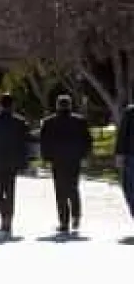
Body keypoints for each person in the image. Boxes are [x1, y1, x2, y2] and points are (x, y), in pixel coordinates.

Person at [39, 94, 93, 233]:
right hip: (74, 159)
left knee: (60, 190)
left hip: (57, 160)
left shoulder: (49, 122)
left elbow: (44, 142)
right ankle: (76, 216)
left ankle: (64, 221)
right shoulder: (80, 121)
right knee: (73, 187)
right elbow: (87, 140)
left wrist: (45, 158)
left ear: (57, 105)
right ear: (70, 105)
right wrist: (85, 156)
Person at [0, 93, 29, 236]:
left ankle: (5, 218)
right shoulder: (19, 121)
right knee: (9, 192)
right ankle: (7, 218)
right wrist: (24, 162)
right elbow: (24, 144)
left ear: (0, 105)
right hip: (12, 162)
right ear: (13, 105)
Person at [115, 104, 134, 221]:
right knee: (129, 187)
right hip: (131, 155)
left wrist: (119, 155)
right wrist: (119, 154)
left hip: (131, 156)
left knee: (130, 187)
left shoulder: (129, 112)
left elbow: (122, 134)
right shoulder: (130, 112)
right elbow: (123, 134)